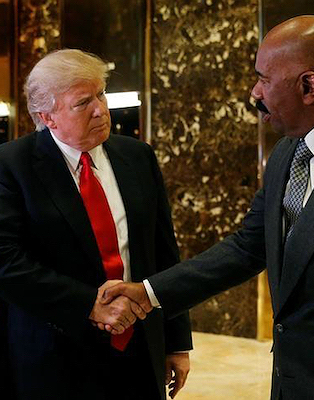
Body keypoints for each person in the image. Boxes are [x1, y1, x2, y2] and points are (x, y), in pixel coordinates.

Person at [101, 15, 314, 400]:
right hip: (291, 382)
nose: (254, 92)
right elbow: (249, 246)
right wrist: (148, 293)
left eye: (264, 78)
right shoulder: (287, 153)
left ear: (310, 86)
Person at [0, 49, 192, 399]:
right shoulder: (11, 165)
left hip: (138, 347)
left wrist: (176, 342)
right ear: (48, 116)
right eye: (83, 102)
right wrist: (89, 304)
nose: (102, 108)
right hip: (54, 352)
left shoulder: (138, 157)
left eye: (101, 94)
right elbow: (6, 262)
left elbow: (164, 253)